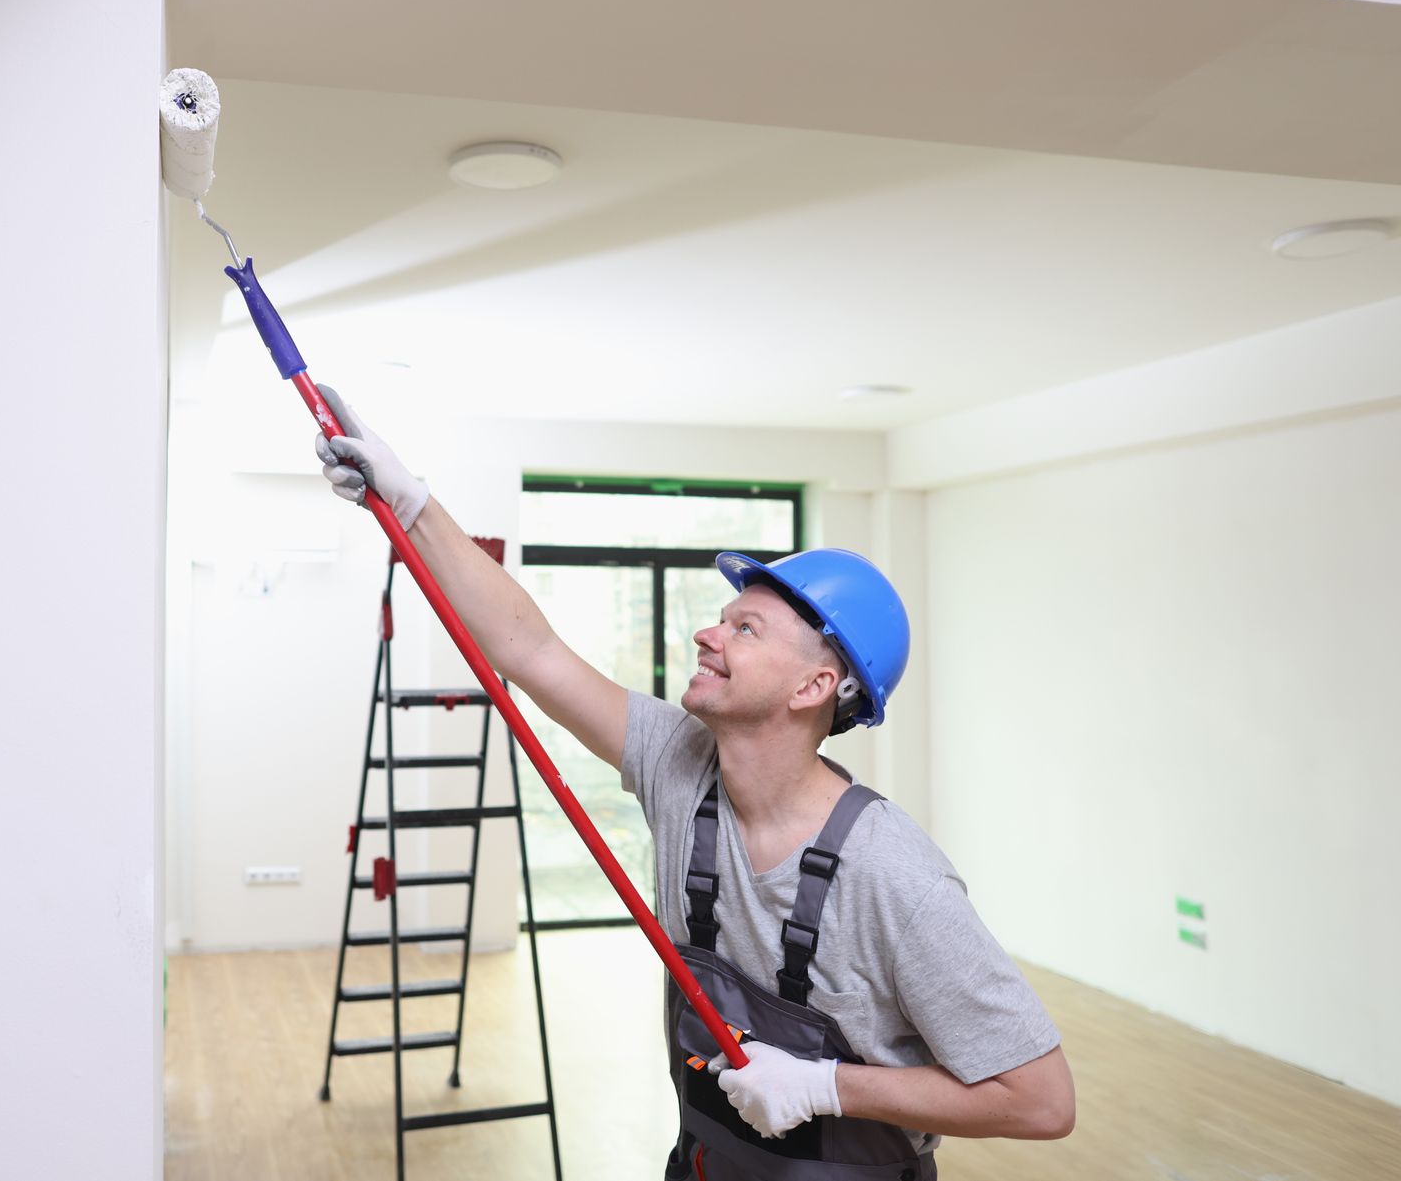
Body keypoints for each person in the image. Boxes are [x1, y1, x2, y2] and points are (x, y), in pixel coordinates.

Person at [311, 388, 1075, 1180]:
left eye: (745, 628)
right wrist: (412, 504)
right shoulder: (678, 765)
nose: (708, 633)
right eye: (721, 617)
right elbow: (530, 648)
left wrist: (825, 1086)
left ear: (814, 685)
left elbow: (1042, 1099)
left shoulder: (893, 876)